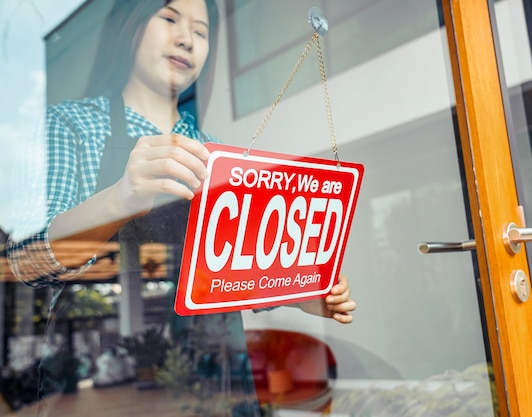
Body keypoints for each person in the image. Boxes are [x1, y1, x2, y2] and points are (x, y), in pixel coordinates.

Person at [7, 0, 356, 413]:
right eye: (169, 18)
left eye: (202, 32)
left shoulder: (220, 155)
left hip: (219, 385)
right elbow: (23, 265)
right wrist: (119, 198)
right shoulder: (72, 126)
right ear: (129, 26)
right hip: (109, 396)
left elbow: (226, 274)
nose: (186, 38)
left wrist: (299, 292)